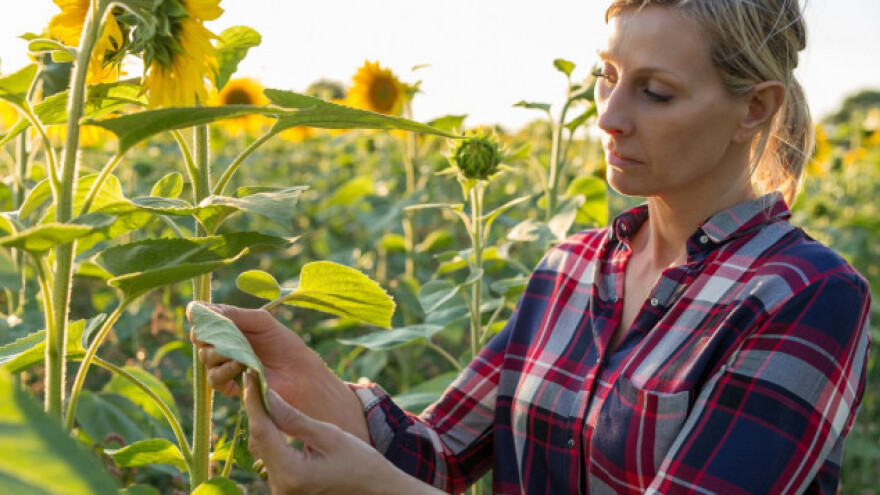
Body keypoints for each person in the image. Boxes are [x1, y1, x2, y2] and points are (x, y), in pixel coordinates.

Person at [191, 0, 872, 493]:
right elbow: (438, 456)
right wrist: (310, 382)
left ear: (754, 108)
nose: (608, 117)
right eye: (607, 76)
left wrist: (375, 489)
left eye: (655, 92)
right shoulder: (572, 269)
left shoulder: (806, 294)